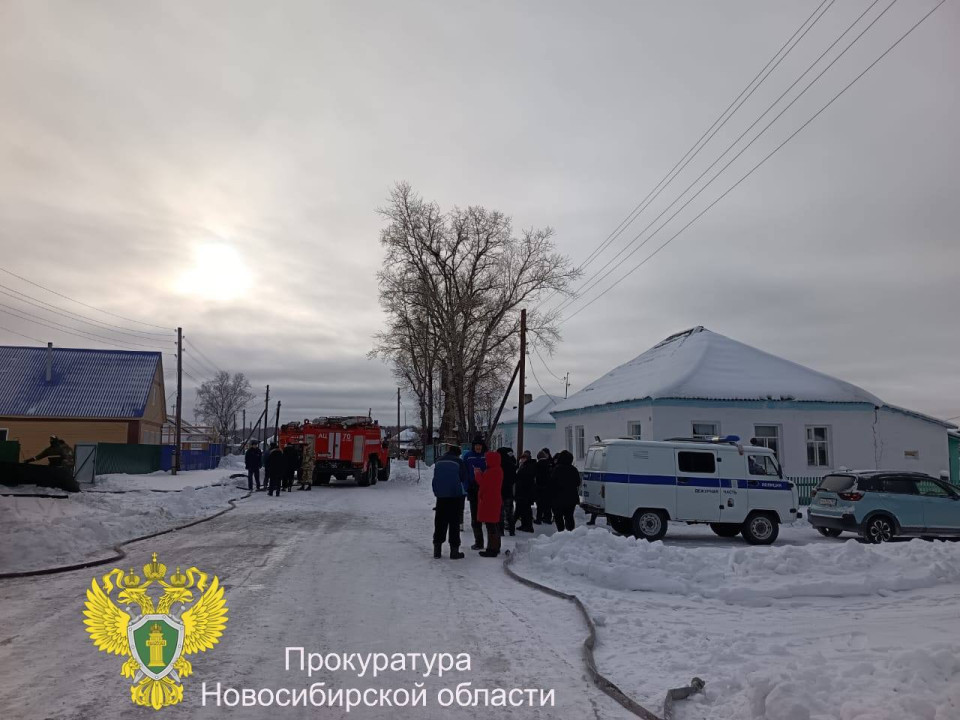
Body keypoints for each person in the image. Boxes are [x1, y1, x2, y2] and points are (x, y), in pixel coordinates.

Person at [432, 444, 468, 559]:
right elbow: (463, 477)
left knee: (440, 522)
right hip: (455, 496)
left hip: (441, 497)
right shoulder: (459, 461)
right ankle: (454, 551)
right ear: (458, 453)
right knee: (454, 523)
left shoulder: (439, 461)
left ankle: (437, 550)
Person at [475, 450, 504, 557]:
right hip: (494, 500)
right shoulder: (498, 470)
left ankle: (492, 549)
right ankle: (495, 547)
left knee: (491, 526)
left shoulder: (492, 471)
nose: (486, 462)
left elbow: (483, 484)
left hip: (489, 501)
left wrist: (477, 474)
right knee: (494, 524)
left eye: (487, 460)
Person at [462, 435, 487, 550]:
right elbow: (464, 473)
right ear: (473, 446)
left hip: (485, 489)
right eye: (476, 445)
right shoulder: (468, 456)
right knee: (475, 517)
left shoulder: (486, 456)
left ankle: (492, 544)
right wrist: (467, 486)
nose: (478, 447)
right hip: (473, 488)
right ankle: (479, 541)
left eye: (480, 445)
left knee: (488, 516)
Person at [551, 450, 581, 532]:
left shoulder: (556, 469)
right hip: (571, 497)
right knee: (569, 516)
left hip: (558, 497)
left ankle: (561, 532)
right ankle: (570, 532)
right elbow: (578, 482)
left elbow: (552, 483)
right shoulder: (574, 469)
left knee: (558, 516)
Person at [513, 450, 536, 533]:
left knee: (525, 509)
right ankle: (525, 525)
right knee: (524, 509)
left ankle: (527, 526)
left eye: (523, 458)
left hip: (525, 492)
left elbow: (524, 478)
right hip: (524, 491)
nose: (521, 460)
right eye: (521, 458)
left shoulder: (528, 467)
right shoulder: (525, 466)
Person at [497, 447, 517, 537]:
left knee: (500, 513)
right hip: (508, 491)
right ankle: (512, 530)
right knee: (509, 512)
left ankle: (501, 531)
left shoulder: (498, 465)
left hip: (500, 491)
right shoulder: (511, 465)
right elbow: (514, 479)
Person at [534, 448, 554, 525]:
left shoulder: (537, 465)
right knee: (548, 504)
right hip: (548, 487)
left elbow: (535, 476)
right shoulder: (549, 464)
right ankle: (548, 518)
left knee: (540, 505)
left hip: (539, 487)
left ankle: (538, 519)